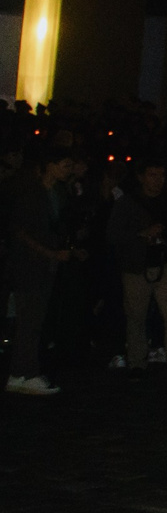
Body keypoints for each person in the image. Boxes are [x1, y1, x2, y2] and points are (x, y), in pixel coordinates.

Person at [6, 150, 75, 395]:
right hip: (30, 264)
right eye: (65, 165)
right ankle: (24, 372)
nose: (69, 171)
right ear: (51, 165)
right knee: (29, 320)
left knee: (35, 321)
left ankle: (23, 371)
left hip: (46, 263)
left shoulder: (57, 193)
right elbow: (21, 232)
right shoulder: (32, 193)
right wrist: (50, 252)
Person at [108, 162, 167, 374]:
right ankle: (137, 361)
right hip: (136, 266)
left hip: (165, 263)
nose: (157, 180)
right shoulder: (127, 203)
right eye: (152, 174)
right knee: (136, 316)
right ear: (141, 177)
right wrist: (141, 234)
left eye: (161, 175)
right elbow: (113, 234)